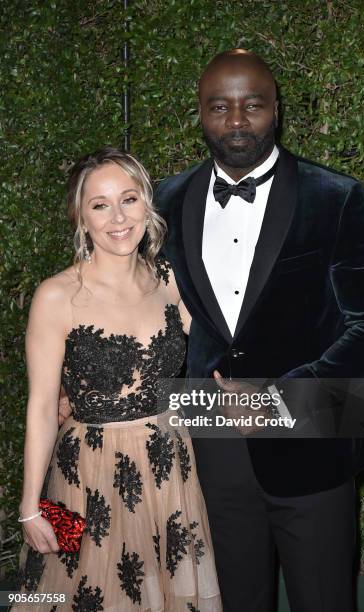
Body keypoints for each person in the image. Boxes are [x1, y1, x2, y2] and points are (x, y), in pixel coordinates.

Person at [153, 50, 364, 612]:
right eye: (220, 107)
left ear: (276, 110)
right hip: (209, 449)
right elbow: (154, 319)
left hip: (314, 436)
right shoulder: (164, 203)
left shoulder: (337, 197)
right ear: (200, 113)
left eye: (253, 105)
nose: (237, 121)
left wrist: (280, 396)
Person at [15, 147, 222, 612]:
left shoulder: (170, 279)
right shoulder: (56, 296)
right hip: (86, 476)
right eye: (100, 204)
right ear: (80, 216)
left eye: (128, 199)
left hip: (170, 467)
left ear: (147, 204)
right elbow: (44, 407)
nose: (118, 218)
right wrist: (30, 506)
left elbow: (223, 346)